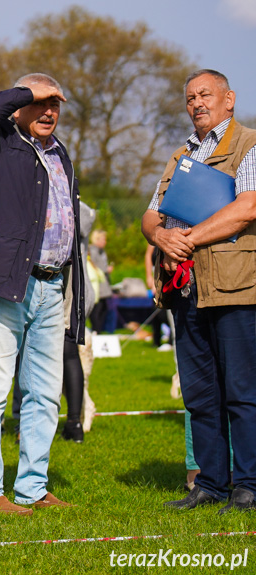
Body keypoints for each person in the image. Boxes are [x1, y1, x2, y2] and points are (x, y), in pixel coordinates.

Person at [0, 73, 84, 515]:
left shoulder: (60, 153)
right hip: (2, 284)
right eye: (41, 102)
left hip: (51, 287)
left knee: (45, 394)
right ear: (19, 104)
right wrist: (29, 91)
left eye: (56, 104)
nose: (50, 111)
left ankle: (32, 487)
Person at [142, 69, 256, 513]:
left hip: (234, 286)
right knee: (200, 393)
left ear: (229, 98)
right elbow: (152, 214)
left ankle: (248, 486)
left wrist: (186, 238)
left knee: (242, 391)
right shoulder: (179, 155)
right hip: (184, 291)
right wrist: (160, 237)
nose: (197, 103)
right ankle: (210, 484)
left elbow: (246, 208)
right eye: (190, 98)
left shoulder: (249, 144)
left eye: (205, 95)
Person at [88, 230, 113, 333]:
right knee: (97, 311)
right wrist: (106, 269)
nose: (105, 242)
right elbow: (93, 266)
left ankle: (98, 331)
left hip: (103, 285)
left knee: (104, 309)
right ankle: (96, 331)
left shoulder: (102, 251)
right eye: (103, 239)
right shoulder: (92, 251)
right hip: (96, 285)